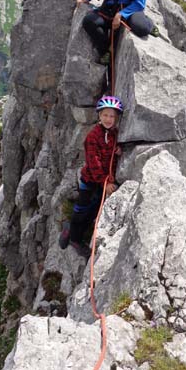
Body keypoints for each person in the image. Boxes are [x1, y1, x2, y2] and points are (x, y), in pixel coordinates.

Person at [59, 95, 123, 257]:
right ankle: (74, 238)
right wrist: (105, 182)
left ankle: (71, 227)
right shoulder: (93, 137)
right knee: (81, 211)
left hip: (100, 183)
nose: (109, 119)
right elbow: (94, 163)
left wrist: (118, 151)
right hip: (90, 181)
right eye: (105, 115)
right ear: (99, 116)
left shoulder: (114, 134)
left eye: (112, 116)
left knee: (92, 211)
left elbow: (110, 153)